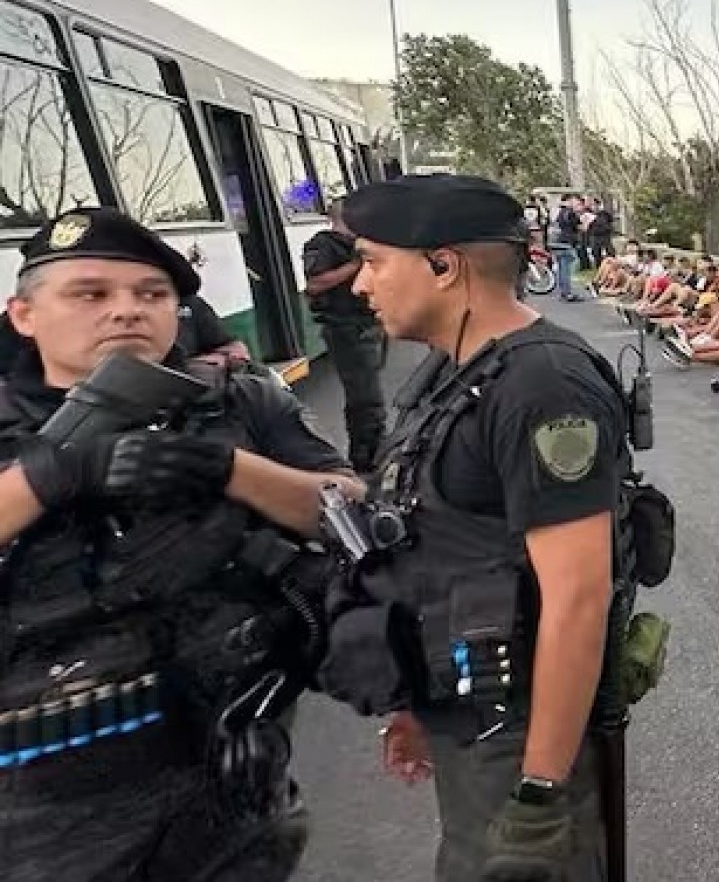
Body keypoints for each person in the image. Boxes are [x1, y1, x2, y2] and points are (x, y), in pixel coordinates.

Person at [0, 207, 353, 881]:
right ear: (24, 315)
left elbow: (350, 512)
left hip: (232, 775)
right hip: (44, 813)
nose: (127, 312)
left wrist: (228, 469)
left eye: (153, 295)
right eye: (91, 294)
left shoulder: (239, 403)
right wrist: (55, 474)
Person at [331, 174, 627, 882]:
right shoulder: (454, 372)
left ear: (443, 264)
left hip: (517, 736)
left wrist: (539, 791)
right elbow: (438, 545)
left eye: (373, 260)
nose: (359, 285)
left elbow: (579, 598)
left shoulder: (541, 385)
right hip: (468, 711)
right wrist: (416, 702)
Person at [303, 200, 387, 472]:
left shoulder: (358, 245)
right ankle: (366, 457)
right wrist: (354, 266)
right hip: (344, 327)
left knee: (368, 392)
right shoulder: (322, 245)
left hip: (365, 323)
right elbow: (315, 284)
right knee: (365, 396)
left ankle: (371, 449)